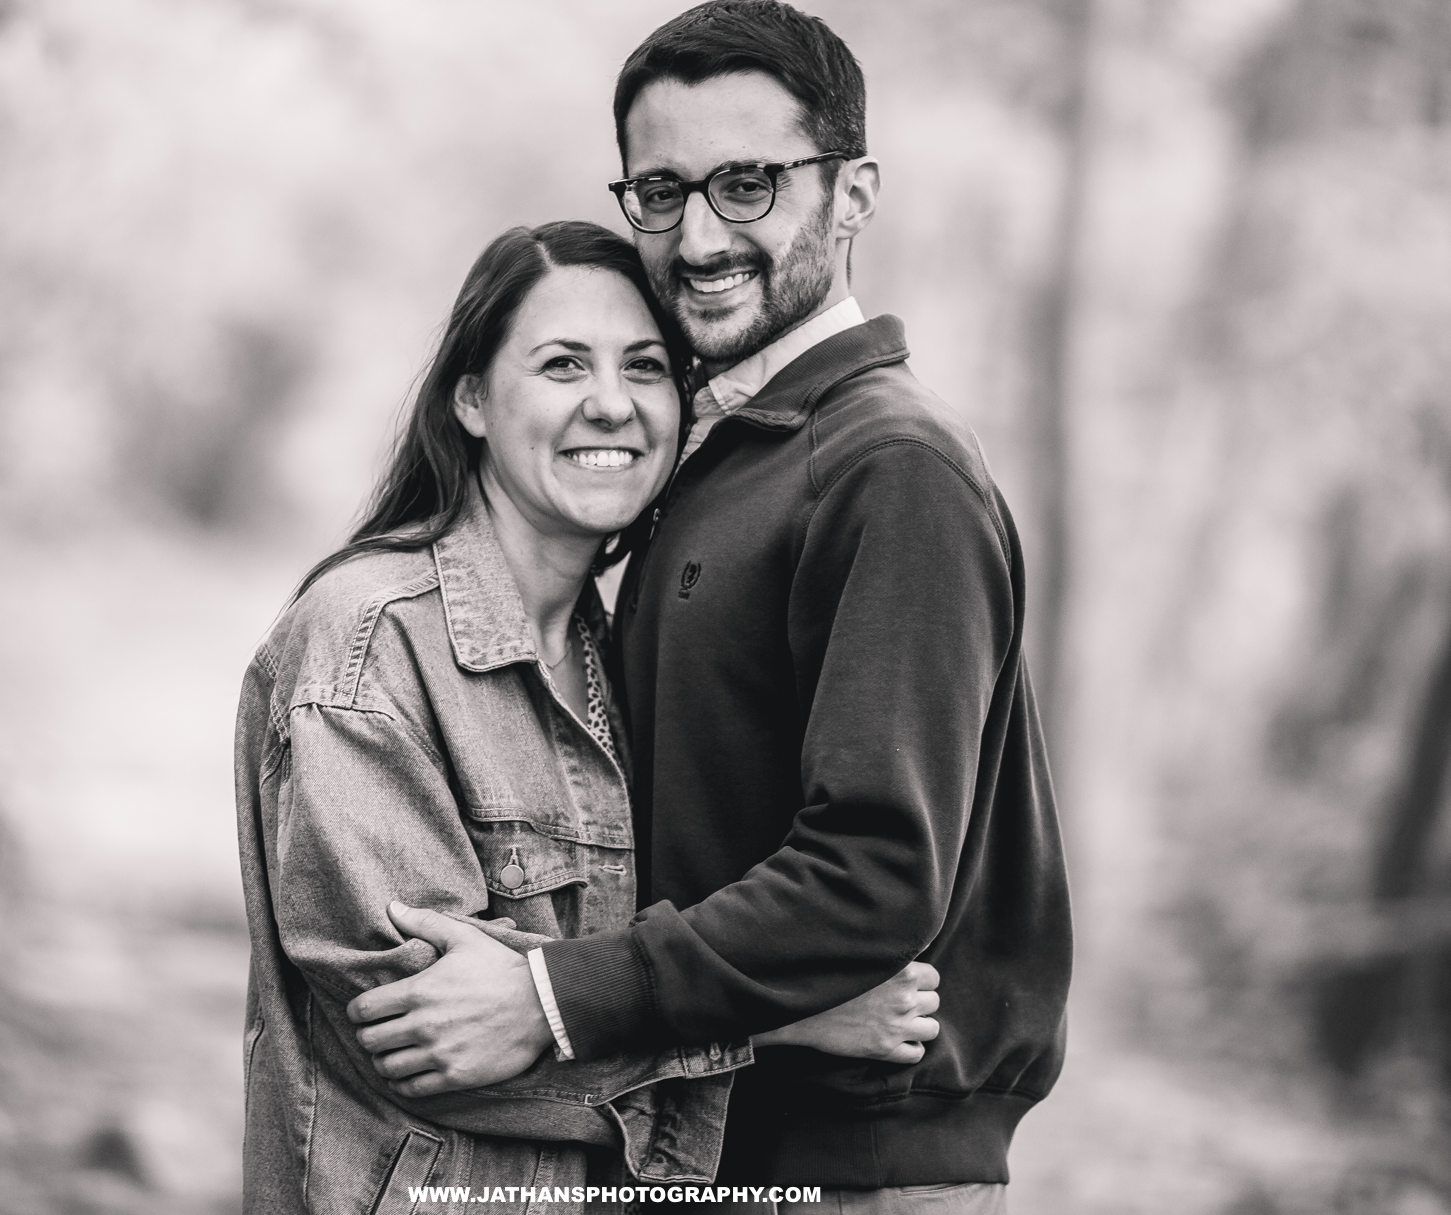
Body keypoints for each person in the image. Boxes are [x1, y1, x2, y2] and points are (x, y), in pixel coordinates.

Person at [347, 0, 1073, 1214]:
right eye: (661, 191)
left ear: (852, 195)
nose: (696, 237)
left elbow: (875, 875)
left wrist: (550, 998)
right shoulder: (715, 452)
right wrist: (775, 1022)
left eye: (747, 185)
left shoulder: (890, 467)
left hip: (853, 1170)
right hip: (709, 1132)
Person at [235, 220, 943, 1215]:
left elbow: (537, 1006)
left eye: (645, 367)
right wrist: (780, 1020)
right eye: (562, 363)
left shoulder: (624, 661)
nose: (610, 402)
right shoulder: (367, 644)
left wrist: (570, 1001)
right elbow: (419, 1031)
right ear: (471, 398)